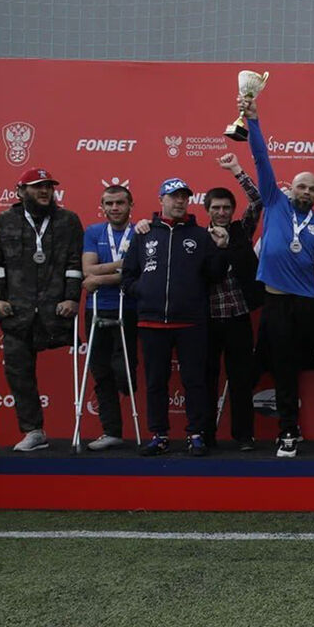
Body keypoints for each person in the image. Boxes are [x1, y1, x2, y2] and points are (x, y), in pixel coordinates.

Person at [241, 92, 314, 457]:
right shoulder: (274, 202)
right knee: (282, 369)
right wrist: (253, 119)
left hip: (305, 306)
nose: (306, 191)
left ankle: (299, 428)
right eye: (302, 186)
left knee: (310, 364)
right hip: (274, 304)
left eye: (313, 189)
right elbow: (261, 157)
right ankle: (288, 431)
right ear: (292, 187)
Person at [121, 178, 229, 456]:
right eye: (174, 196)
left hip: (191, 321)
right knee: (156, 381)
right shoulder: (144, 233)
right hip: (151, 320)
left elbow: (215, 276)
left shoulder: (201, 235)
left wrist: (221, 248)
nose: (180, 201)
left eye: (184, 197)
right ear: (161, 199)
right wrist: (143, 291)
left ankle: (196, 434)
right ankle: (159, 435)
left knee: (195, 381)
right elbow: (128, 275)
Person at [0, 167, 83, 451]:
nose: (45, 191)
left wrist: (72, 299)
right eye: (37, 186)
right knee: (18, 371)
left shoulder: (68, 221)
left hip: (56, 310)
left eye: (48, 186)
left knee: (97, 364)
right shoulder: (4, 222)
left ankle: (96, 429)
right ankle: (33, 431)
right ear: (21, 191)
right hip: (16, 311)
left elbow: (74, 264)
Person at [202, 153, 265, 451]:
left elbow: (258, 201)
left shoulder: (241, 229)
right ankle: (205, 436)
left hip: (239, 316)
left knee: (241, 380)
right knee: (206, 380)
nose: (222, 212)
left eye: (227, 207)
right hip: (207, 319)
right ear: (207, 210)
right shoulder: (197, 238)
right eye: (216, 207)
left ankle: (244, 436)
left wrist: (237, 170)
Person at [80, 184, 139, 450]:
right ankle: (111, 431)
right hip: (96, 307)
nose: (114, 208)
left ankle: (127, 384)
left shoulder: (140, 233)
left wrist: (101, 277)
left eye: (120, 203)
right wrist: (121, 266)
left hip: (129, 307)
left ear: (130, 205)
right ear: (102, 206)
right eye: (109, 203)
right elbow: (87, 270)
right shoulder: (94, 232)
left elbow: (136, 273)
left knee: (123, 368)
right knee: (100, 371)